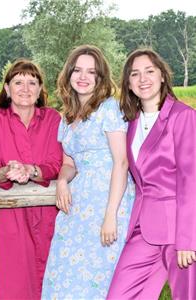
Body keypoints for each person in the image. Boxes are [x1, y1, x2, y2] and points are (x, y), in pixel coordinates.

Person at [41, 44, 134, 299]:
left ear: (100, 77)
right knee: (64, 272)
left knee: (97, 277)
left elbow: (122, 163)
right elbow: (70, 163)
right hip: (78, 203)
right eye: (77, 70)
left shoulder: (108, 109)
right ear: (68, 74)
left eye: (91, 72)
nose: (83, 77)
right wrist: (61, 180)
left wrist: (110, 216)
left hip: (108, 201)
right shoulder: (68, 117)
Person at [107, 49, 196, 299]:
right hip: (143, 229)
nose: (142, 78)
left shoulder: (183, 116)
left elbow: (191, 181)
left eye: (149, 71)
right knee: (119, 295)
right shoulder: (132, 122)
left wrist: (189, 240)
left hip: (180, 231)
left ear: (163, 76)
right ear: (128, 83)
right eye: (135, 74)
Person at [0, 58, 63, 300]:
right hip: (11, 215)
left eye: (32, 82)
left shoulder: (52, 119)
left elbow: (54, 164)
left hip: (50, 213)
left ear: (40, 89)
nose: (25, 88)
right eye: (18, 82)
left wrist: (31, 170)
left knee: (53, 282)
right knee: (15, 286)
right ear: (7, 89)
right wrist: (8, 172)